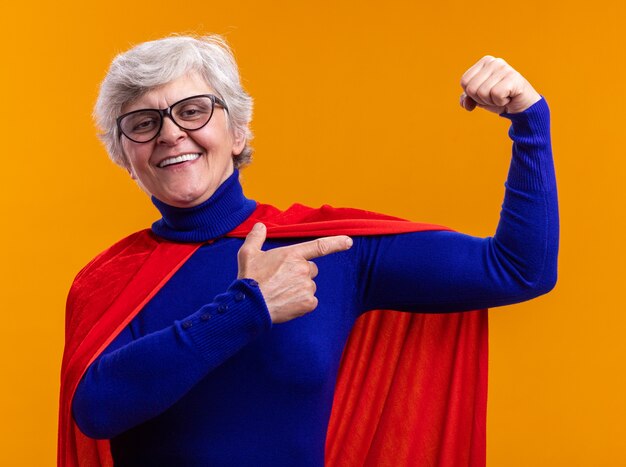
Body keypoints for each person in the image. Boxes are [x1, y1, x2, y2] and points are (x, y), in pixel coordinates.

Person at [58, 35, 558, 467]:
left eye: (193, 111)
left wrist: (529, 120)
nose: (170, 133)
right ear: (126, 156)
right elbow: (98, 409)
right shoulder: (107, 280)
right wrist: (246, 309)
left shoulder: (330, 246)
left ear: (239, 132)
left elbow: (518, 269)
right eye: (143, 123)